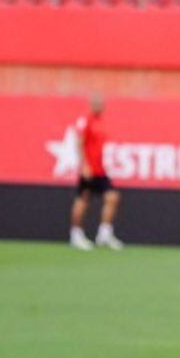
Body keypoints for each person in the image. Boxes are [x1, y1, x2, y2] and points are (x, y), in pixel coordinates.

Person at [69, 95, 123, 251]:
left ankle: (104, 234)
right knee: (83, 199)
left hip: (100, 169)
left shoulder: (101, 121)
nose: (100, 106)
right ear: (92, 104)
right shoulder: (85, 120)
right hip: (89, 168)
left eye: (102, 103)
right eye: (97, 103)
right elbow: (79, 142)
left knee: (112, 197)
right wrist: (84, 164)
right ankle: (76, 235)